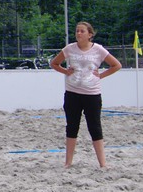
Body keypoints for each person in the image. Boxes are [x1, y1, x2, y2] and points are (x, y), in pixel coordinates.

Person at [49, 21, 121, 169]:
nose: (79, 33)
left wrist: (101, 75)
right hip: (72, 93)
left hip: (92, 94)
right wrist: (65, 71)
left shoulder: (98, 49)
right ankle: (68, 162)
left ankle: (102, 163)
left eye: (82, 31)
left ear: (90, 34)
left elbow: (116, 65)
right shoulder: (69, 48)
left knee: (95, 127)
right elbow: (54, 63)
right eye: (77, 31)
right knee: (72, 127)